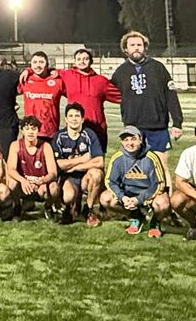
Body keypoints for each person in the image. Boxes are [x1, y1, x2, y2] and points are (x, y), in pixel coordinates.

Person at [108, 31, 183, 179]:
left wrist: (177, 122)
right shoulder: (120, 72)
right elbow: (107, 91)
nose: (136, 48)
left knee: (161, 167)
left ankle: (165, 194)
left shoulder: (158, 68)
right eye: (132, 45)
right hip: (133, 127)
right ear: (125, 49)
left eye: (139, 45)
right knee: (133, 170)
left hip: (157, 126)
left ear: (145, 47)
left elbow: (171, 95)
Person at [101, 125, 170, 238]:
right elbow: (110, 181)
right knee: (106, 199)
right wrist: (122, 197)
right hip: (127, 195)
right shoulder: (117, 158)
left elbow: (159, 183)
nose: (130, 143)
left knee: (163, 203)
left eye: (133, 139)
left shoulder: (151, 157)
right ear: (122, 142)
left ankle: (155, 222)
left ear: (140, 140)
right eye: (126, 140)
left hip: (148, 195)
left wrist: (139, 199)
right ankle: (135, 216)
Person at [56, 47, 121, 152]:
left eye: (85, 59)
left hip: (97, 129)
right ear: (74, 61)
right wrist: (29, 70)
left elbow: (122, 96)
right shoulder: (66, 75)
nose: (82, 61)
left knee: (97, 160)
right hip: (74, 129)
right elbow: (44, 70)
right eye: (79, 59)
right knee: (73, 160)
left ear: (91, 61)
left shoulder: (101, 81)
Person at [50, 103, 105, 226]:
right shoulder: (59, 136)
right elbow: (58, 164)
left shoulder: (89, 134)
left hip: (86, 176)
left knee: (96, 174)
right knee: (68, 196)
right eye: (71, 116)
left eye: (77, 116)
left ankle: (89, 209)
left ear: (82, 119)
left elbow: (100, 161)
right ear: (66, 119)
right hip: (69, 178)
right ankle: (70, 208)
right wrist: (82, 159)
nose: (74, 119)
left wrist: (74, 167)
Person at [6, 115, 58, 219]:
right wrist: (23, 181)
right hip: (24, 186)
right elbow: (11, 169)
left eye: (33, 129)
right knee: (12, 182)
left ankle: (48, 206)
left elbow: (53, 173)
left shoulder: (46, 146)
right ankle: (17, 207)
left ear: (38, 130)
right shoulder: (15, 145)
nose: (30, 132)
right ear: (22, 130)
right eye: (27, 129)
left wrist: (42, 180)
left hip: (40, 186)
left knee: (53, 187)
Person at [17, 51, 65, 141]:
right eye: (35, 62)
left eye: (41, 62)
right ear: (30, 65)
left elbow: (70, 76)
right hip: (30, 132)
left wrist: (56, 71)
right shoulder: (25, 79)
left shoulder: (57, 81)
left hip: (50, 132)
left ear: (47, 64)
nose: (38, 65)